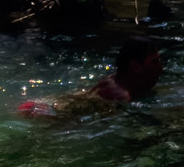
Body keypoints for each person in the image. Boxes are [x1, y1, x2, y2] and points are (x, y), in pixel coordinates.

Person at [18, 34, 163, 118]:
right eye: (154, 62)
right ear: (135, 67)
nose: (160, 67)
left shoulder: (113, 80)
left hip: (44, 104)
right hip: (49, 113)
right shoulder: (121, 96)